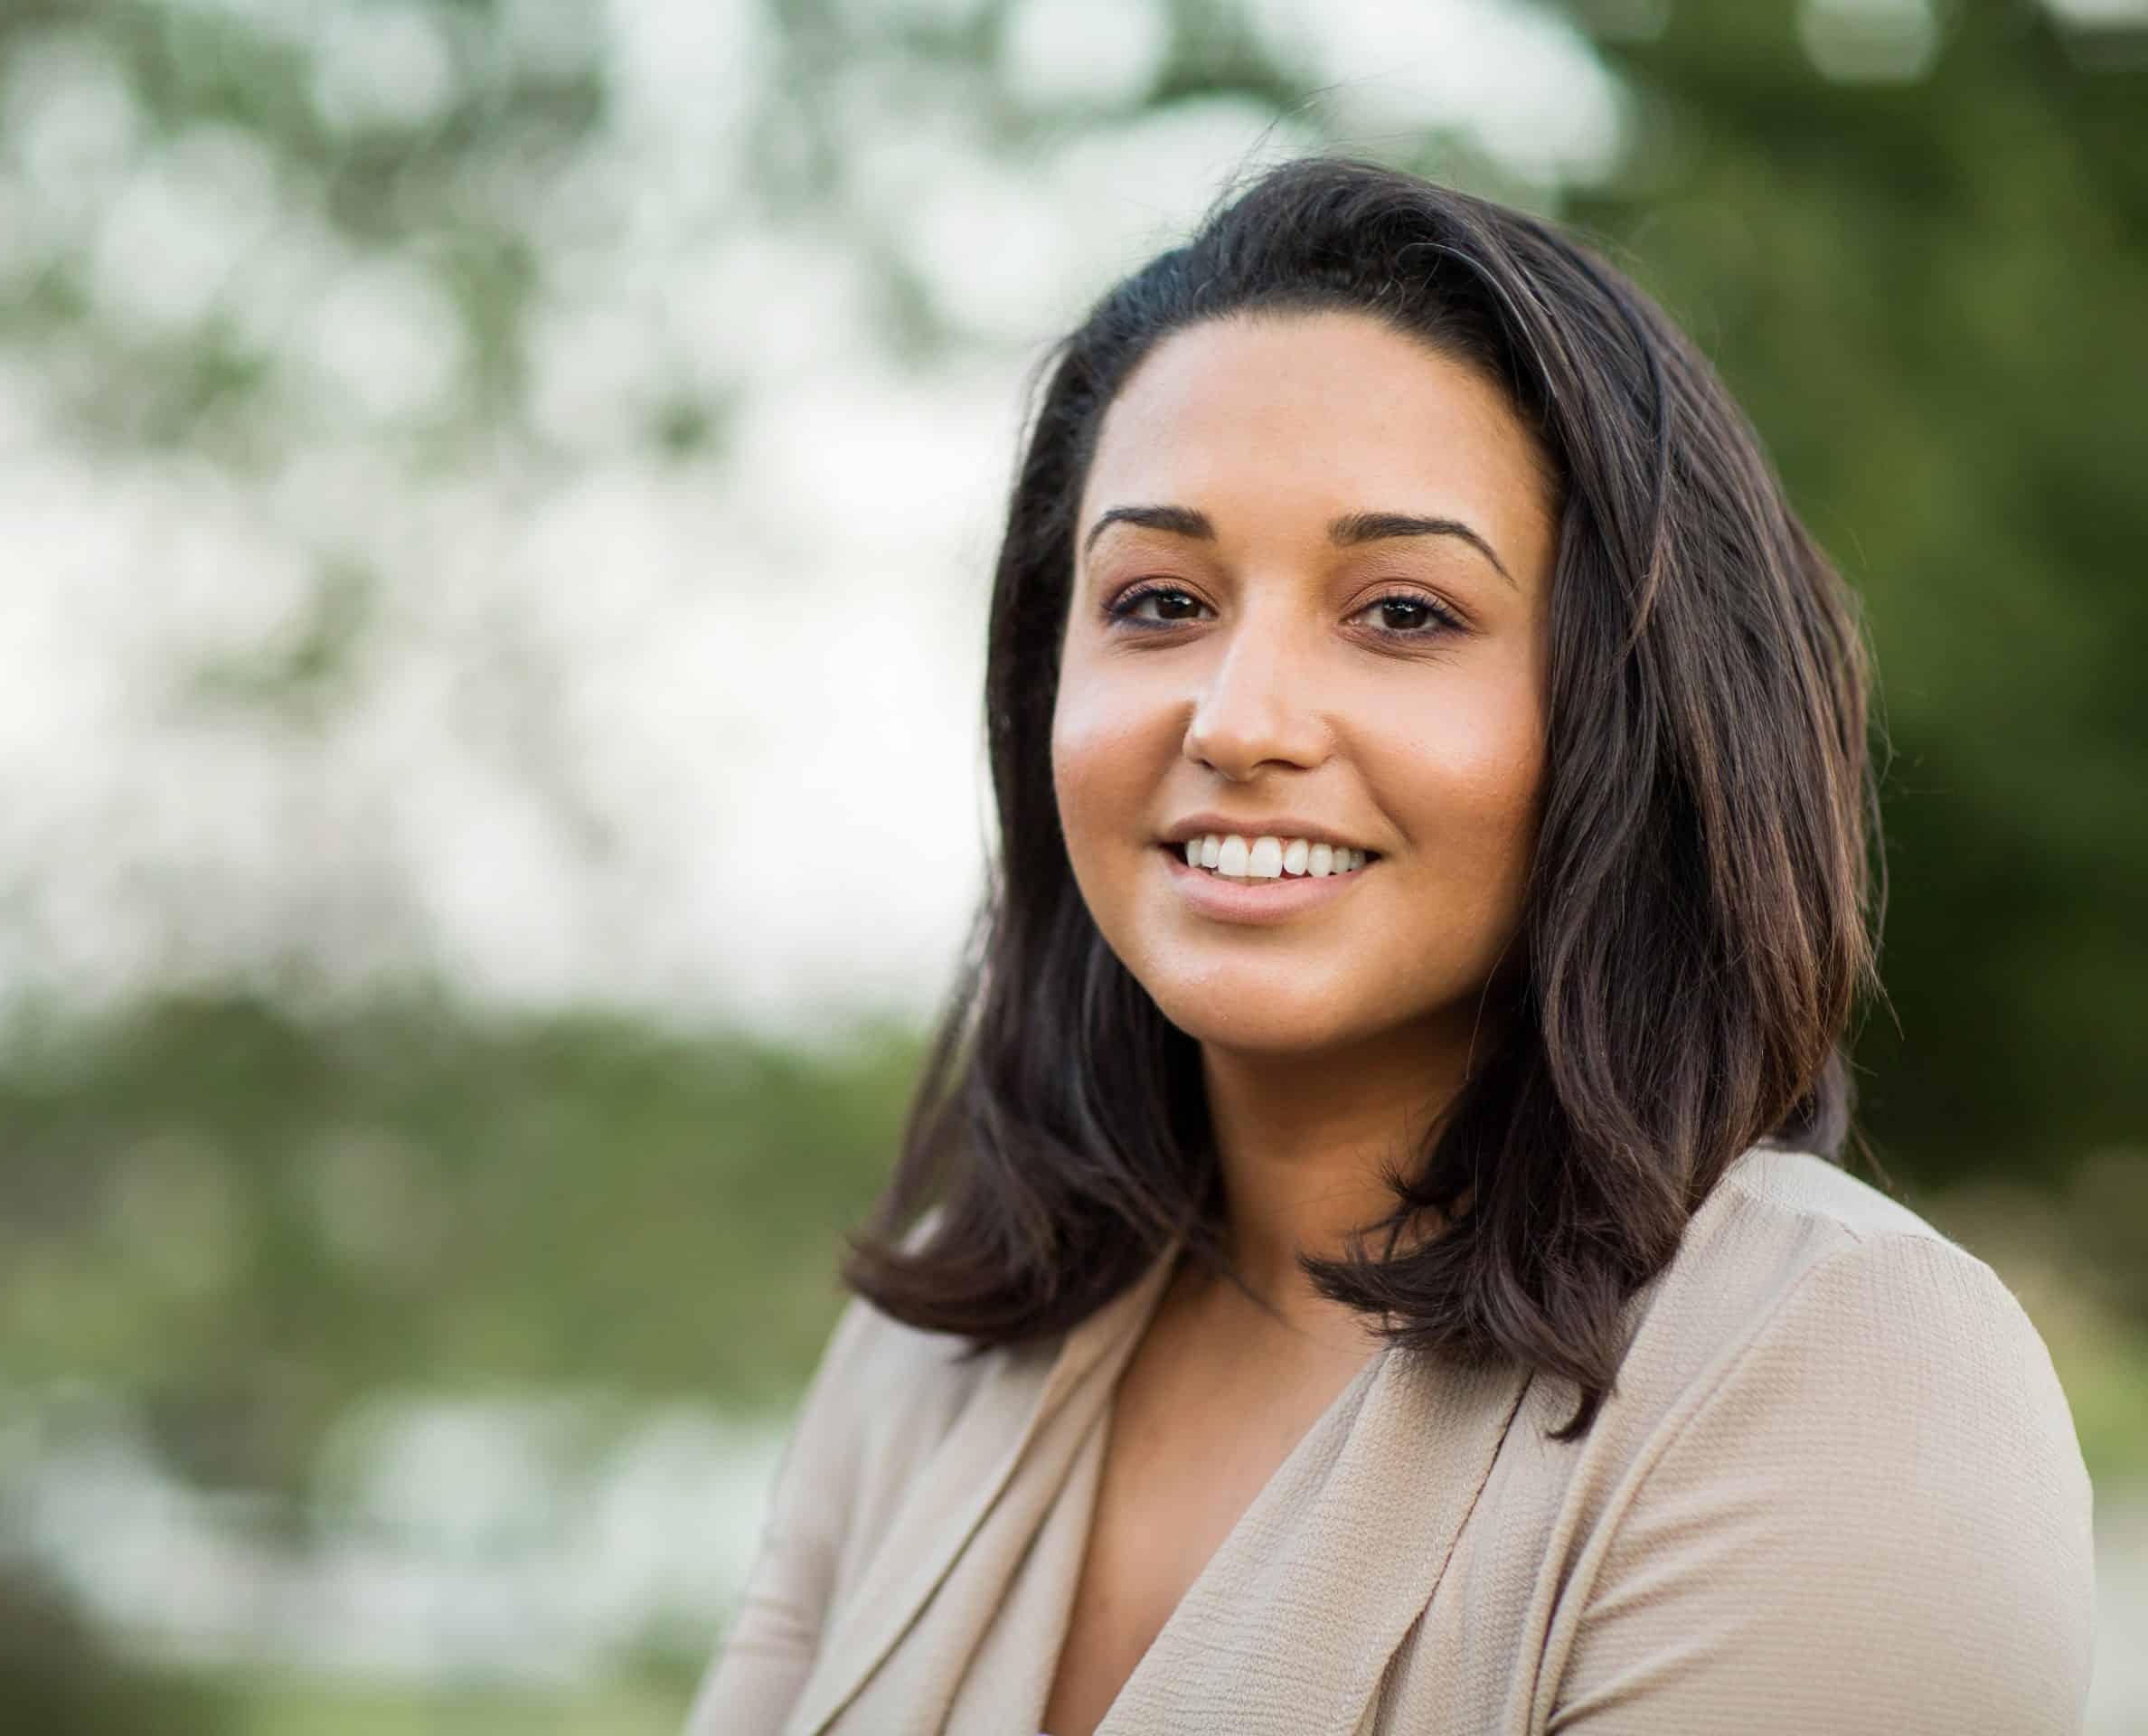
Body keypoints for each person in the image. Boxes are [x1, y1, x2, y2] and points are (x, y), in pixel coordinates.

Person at [681, 156, 2093, 1735]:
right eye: (1157, 601)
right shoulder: (927, 1360)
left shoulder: (1840, 1376)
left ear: (1626, 713)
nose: (1239, 720)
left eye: (1403, 613)